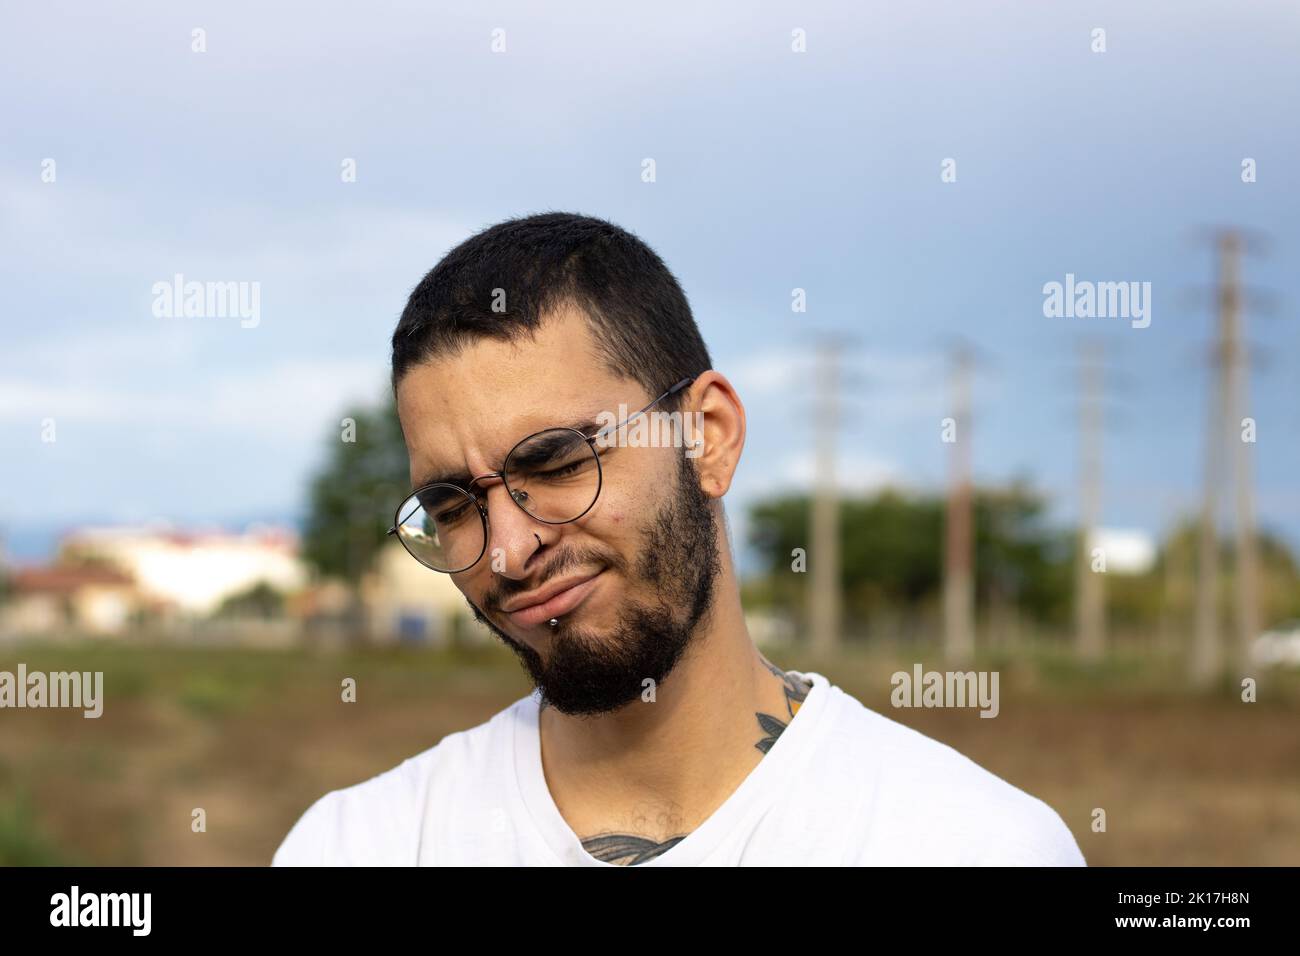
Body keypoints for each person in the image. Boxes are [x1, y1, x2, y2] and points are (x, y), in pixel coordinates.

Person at [272, 212, 1086, 866]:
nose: (509, 552)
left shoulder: (969, 845)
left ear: (710, 436)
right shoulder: (359, 845)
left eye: (556, 460)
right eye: (452, 506)